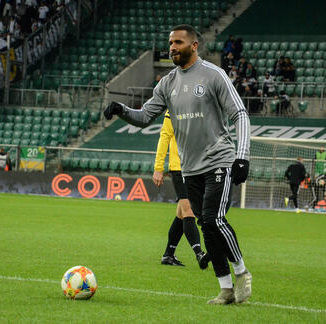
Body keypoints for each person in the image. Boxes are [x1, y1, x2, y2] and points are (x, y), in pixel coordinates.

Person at [103, 24, 252, 305]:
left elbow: (240, 114)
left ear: (194, 45)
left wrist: (242, 156)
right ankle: (226, 288)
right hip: (190, 168)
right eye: (170, 43)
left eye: (178, 42)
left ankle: (242, 273)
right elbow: (145, 115)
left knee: (213, 219)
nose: (172, 47)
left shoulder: (213, 75)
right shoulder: (168, 83)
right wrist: (121, 110)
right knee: (207, 226)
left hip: (219, 159)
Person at [153, 110, 208, 268]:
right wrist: (158, 168)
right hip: (179, 167)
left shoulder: (198, 108)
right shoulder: (173, 110)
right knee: (188, 209)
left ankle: (168, 255)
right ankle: (199, 253)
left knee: (181, 213)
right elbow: (165, 136)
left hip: (196, 167)